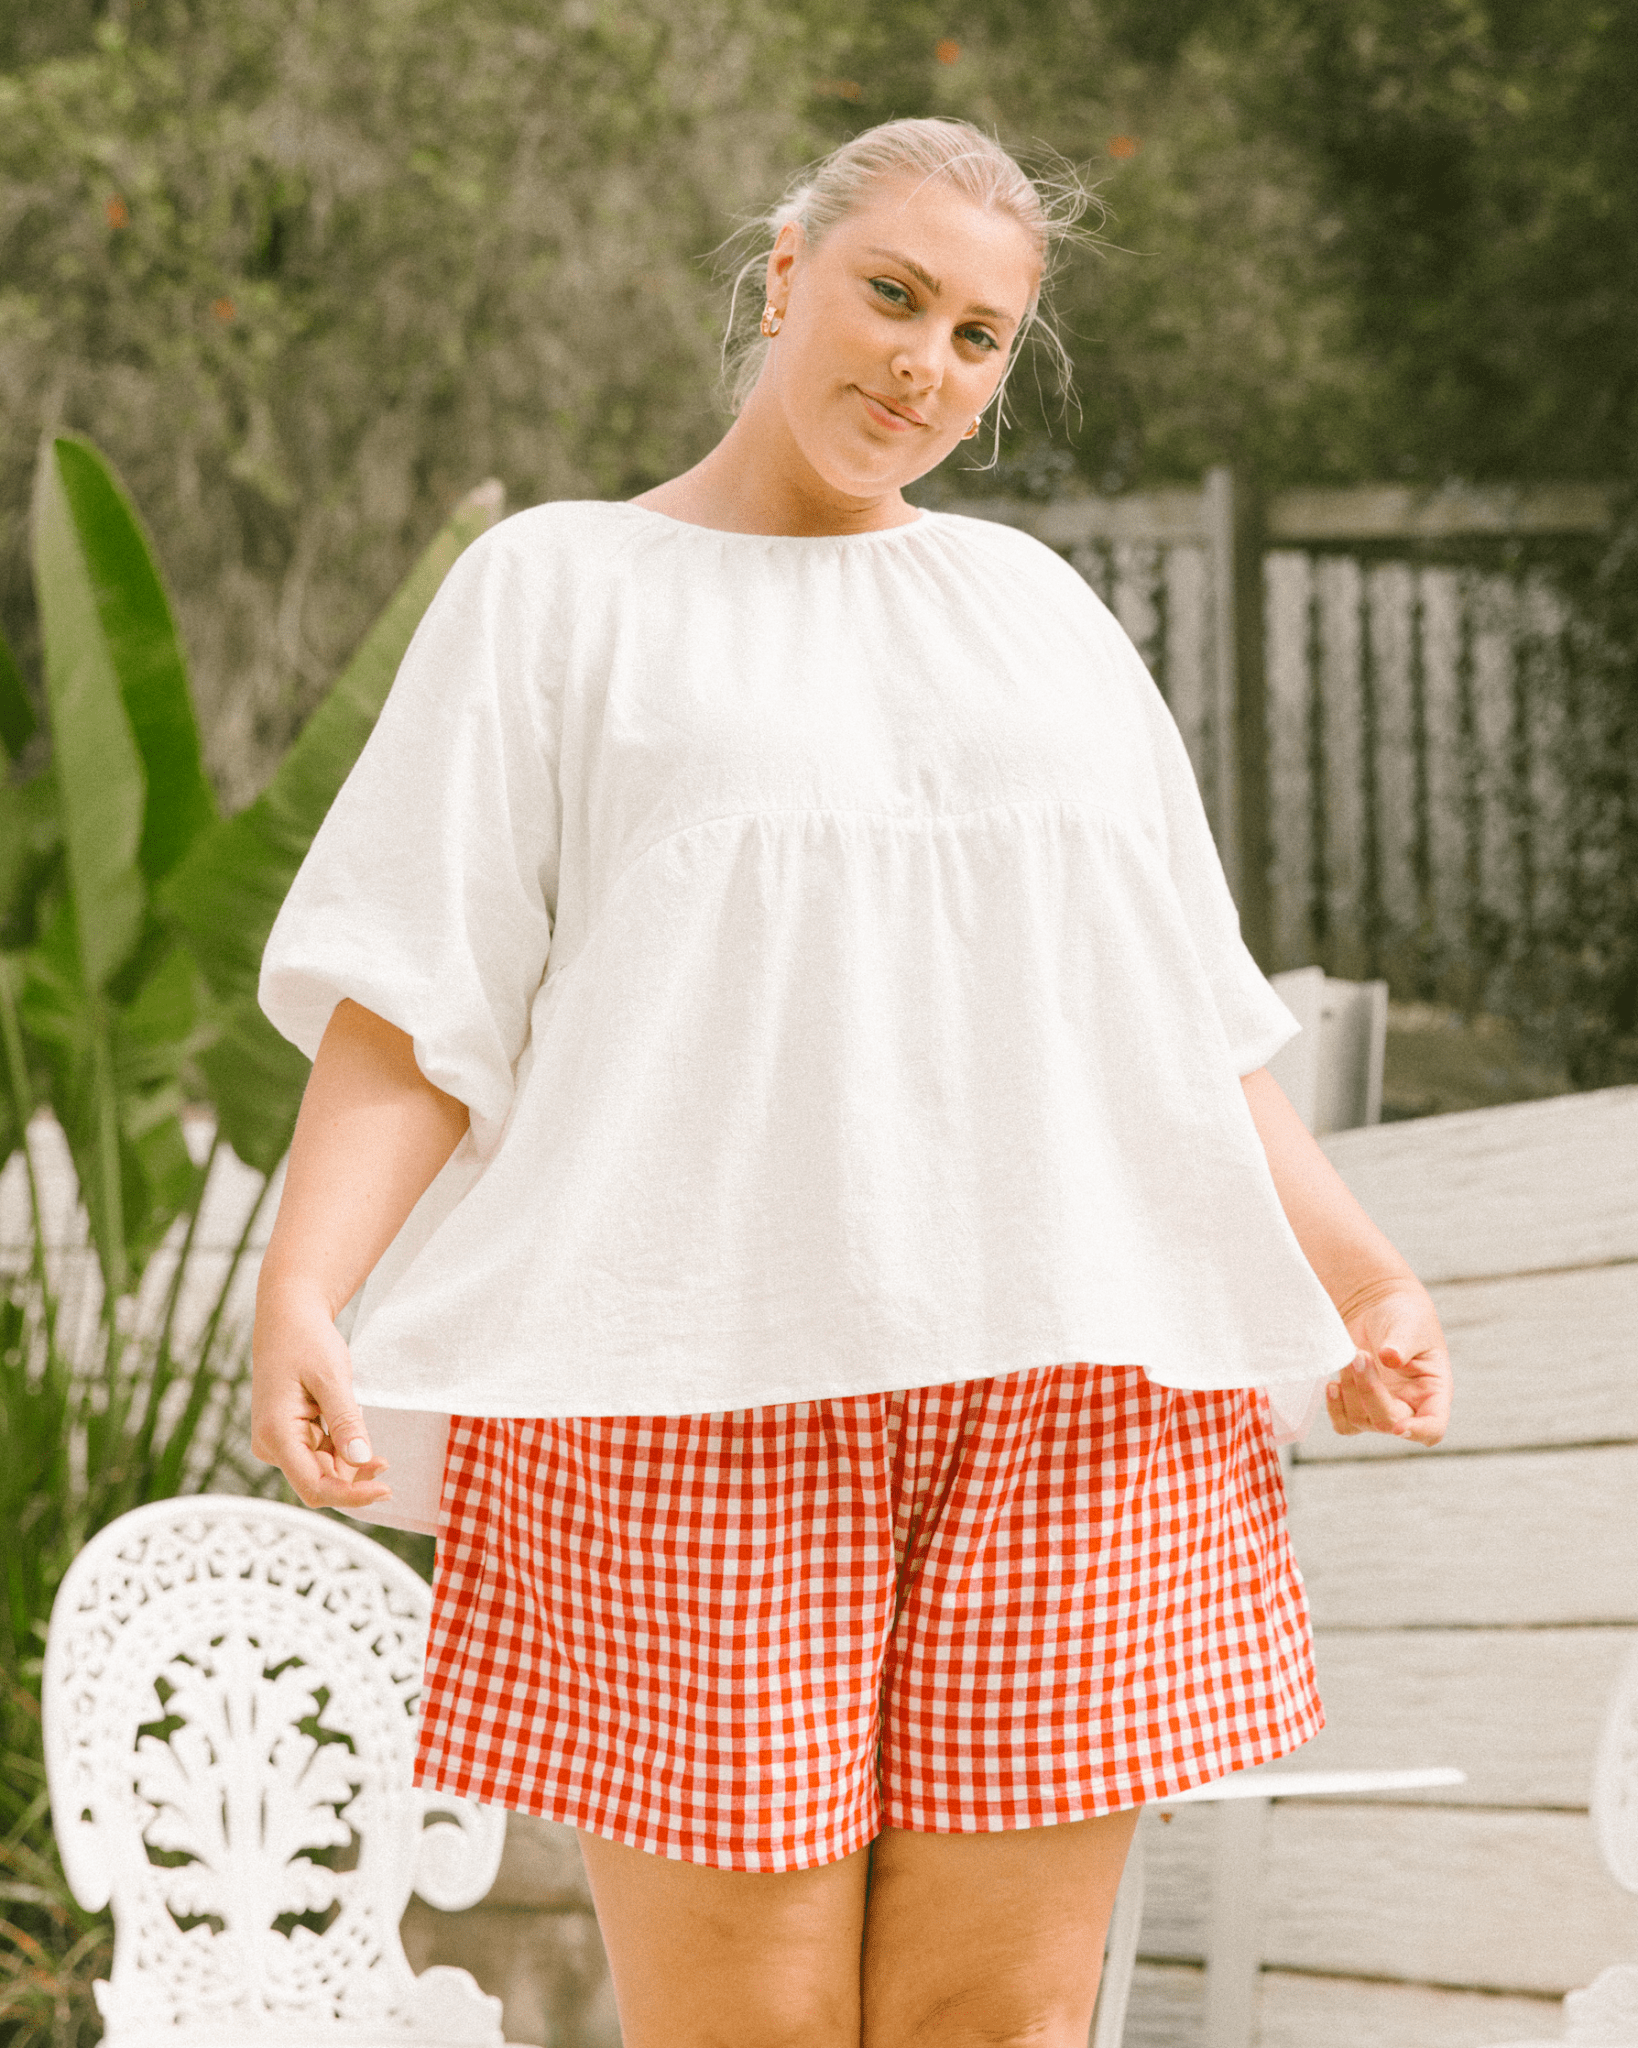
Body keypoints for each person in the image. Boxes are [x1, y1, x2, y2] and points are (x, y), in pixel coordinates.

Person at [252, 117, 1452, 2048]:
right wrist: (307, 1284)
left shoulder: (1038, 616)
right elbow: (416, 996)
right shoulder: (553, 590)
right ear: (782, 276)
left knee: (999, 2021)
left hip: (1074, 1393)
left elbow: (1172, 1019)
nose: (924, 366)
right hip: (677, 1392)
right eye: (893, 296)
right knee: (756, 2026)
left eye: (979, 337)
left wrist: (1363, 1275)